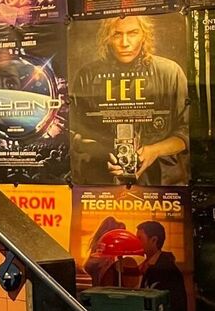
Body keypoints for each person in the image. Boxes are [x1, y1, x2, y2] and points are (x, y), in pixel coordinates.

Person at [70, 14, 190, 184]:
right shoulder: (87, 76)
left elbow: (186, 131)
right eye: (117, 34)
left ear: (144, 35)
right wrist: (103, 151)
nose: (125, 43)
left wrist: (154, 151)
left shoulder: (170, 72)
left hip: (162, 182)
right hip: (101, 181)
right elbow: (73, 132)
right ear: (106, 38)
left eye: (133, 33)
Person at [136, 220, 187, 311]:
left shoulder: (167, 270)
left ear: (154, 240)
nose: (137, 242)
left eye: (140, 238)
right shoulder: (147, 266)